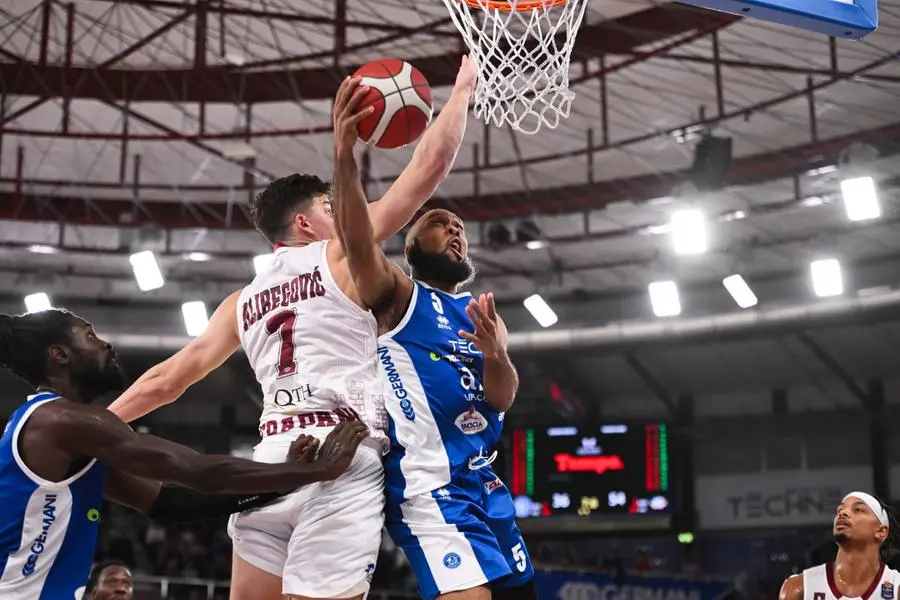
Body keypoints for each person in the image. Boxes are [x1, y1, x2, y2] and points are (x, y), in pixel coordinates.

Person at [105, 56, 477, 600]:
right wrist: (464, 87)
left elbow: (167, 380)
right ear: (306, 221)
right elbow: (428, 170)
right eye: (332, 205)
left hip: (269, 464)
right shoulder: (340, 256)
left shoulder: (242, 300)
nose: (343, 211)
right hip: (339, 457)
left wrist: (95, 425)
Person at [330, 72, 535, 600]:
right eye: (440, 223)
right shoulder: (397, 296)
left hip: (486, 485)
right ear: (411, 247)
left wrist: (496, 355)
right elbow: (356, 241)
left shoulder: (481, 312)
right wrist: (344, 158)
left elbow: (504, 396)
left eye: (460, 228)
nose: (456, 230)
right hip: (429, 489)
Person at [0, 309, 368, 600]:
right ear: (60, 355)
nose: (106, 345)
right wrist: (318, 470)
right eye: (90, 336)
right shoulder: (61, 420)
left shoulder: (69, 435)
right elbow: (201, 472)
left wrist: (285, 481)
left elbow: (173, 504)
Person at [779, 492, 900, 600]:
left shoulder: (896, 588)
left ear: (881, 531)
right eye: (840, 509)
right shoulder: (798, 588)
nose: (843, 513)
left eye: (858, 510)